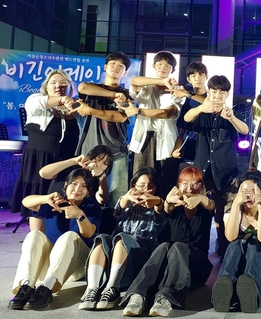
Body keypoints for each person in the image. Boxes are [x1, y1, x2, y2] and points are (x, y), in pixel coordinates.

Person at [121, 167, 215, 317]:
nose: (189, 188)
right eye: (185, 183)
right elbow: (164, 209)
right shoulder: (173, 207)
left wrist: (201, 198)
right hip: (172, 264)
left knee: (178, 246)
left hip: (197, 265)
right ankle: (137, 295)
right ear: (178, 186)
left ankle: (167, 298)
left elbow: (212, 205)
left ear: (202, 186)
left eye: (195, 184)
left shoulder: (205, 207)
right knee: (164, 246)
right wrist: (168, 202)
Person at [9, 169, 101, 310]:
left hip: (74, 267)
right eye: (74, 183)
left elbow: (89, 234)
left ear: (88, 191)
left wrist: (80, 215)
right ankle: (26, 286)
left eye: (84, 186)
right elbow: (26, 201)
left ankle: (47, 288)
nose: (77, 189)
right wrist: (46, 198)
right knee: (34, 235)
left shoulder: (91, 206)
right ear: (65, 185)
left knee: (70, 236)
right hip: (50, 266)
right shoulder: (55, 203)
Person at [79, 168, 165, 310]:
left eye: (150, 186)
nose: (145, 189)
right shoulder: (126, 203)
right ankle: (92, 289)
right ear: (133, 186)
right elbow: (119, 208)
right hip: (115, 259)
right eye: (141, 185)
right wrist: (127, 197)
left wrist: (157, 201)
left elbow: (162, 212)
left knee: (122, 238)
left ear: (156, 188)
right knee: (102, 238)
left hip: (139, 259)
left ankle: (112, 289)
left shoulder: (157, 207)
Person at [184, 74, 249, 257]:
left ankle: (226, 252)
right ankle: (198, 252)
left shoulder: (232, 114)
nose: (218, 96)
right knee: (200, 214)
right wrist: (201, 108)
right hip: (202, 174)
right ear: (209, 92)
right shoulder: (201, 112)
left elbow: (245, 130)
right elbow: (186, 119)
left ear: (227, 95)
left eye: (222, 92)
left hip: (227, 175)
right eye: (214, 91)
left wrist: (231, 118)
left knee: (227, 215)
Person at [11, 69, 80, 230]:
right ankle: (38, 239)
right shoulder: (35, 100)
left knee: (63, 201)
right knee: (38, 204)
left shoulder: (77, 109)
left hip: (66, 163)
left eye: (63, 84)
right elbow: (37, 104)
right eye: (53, 83)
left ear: (70, 87)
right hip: (39, 161)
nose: (58, 86)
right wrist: (61, 99)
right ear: (46, 86)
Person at [212, 169, 261, 314]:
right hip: (238, 266)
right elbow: (230, 237)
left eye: (253, 191)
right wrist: (236, 204)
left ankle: (253, 294)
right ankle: (225, 286)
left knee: (255, 244)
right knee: (236, 243)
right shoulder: (231, 212)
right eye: (244, 191)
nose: (248, 195)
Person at [74, 51, 133, 207]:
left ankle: (113, 223)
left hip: (116, 152)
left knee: (117, 198)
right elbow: (83, 87)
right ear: (105, 67)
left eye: (121, 66)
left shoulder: (127, 94)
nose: (116, 67)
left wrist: (90, 111)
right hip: (89, 151)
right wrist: (114, 94)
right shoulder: (93, 88)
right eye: (113, 64)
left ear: (125, 72)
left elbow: (120, 117)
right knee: (86, 194)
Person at [128, 51, 183, 178]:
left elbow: (167, 113)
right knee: (141, 178)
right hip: (144, 138)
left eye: (168, 65)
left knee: (165, 179)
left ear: (173, 70)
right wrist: (162, 81)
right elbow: (134, 81)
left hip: (166, 141)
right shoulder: (145, 86)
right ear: (153, 66)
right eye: (160, 64)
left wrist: (138, 111)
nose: (163, 67)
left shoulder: (178, 90)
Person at [167, 60, 208, 194]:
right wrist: (177, 149)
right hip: (190, 144)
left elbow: (210, 104)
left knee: (205, 184)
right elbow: (181, 131)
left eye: (201, 74)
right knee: (188, 184)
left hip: (208, 143)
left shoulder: (211, 96)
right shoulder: (186, 101)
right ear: (188, 79)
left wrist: (186, 93)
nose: (198, 78)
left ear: (206, 76)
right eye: (193, 76)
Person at [40, 145, 113, 206]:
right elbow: (43, 173)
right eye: (98, 159)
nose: (99, 165)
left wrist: (101, 176)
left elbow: (102, 200)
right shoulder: (70, 168)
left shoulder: (99, 182)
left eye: (105, 163)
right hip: (52, 208)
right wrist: (74, 161)